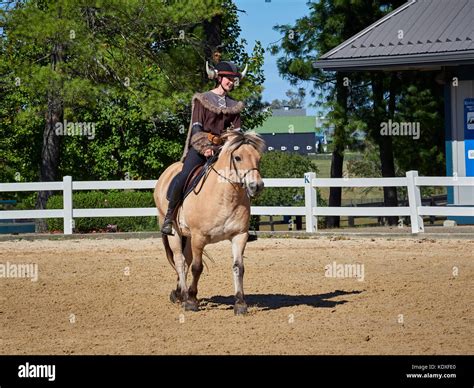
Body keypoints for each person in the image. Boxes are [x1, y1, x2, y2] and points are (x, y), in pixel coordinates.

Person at [161, 61, 247, 235]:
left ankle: (242, 224)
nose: (232, 82)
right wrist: (205, 148)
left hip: (223, 151)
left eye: (234, 79)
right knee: (184, 175)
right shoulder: (202, 99)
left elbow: (237, 133)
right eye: (229, 78)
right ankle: (169, 217)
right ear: (219, 78)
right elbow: (196, 128)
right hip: (201, 148)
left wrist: (232, 149)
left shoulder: (235, 106)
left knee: (244, 177)